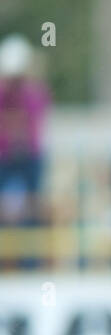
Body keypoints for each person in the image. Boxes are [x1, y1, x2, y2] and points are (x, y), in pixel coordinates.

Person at [0, 34, 50, 229]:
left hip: (29, 157)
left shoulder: (35, 94)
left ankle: (30, 256)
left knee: (33, 209)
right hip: (6, 158)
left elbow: (33, 123)